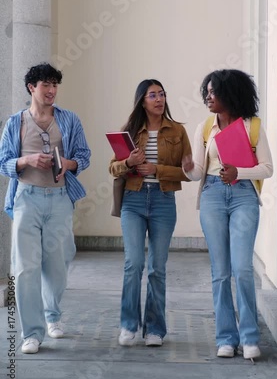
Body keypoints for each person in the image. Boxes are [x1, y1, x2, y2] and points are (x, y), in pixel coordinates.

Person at [0, 63, 91, 354]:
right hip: (26, 198)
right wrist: (25, 162)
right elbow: (3, 163)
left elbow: (84, 156)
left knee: (58, 263)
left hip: (60, 198)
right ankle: (32, 333)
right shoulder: (16, 122)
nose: (51, 91)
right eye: (46, 85)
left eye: (55, 85)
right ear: (32, 88)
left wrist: (68, 164)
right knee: (25, 267)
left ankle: (52, 314)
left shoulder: (69, 120)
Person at [182, 69, 273, 360]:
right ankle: (225, 337)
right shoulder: (205, 127)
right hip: (212, 196)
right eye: (206, 92)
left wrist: (240, 172)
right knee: (220, 272)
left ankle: (249, 338)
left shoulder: (253, 126)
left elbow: (268, 168)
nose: (208, 97)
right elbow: (198, 173)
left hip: (244, 195)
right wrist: (187, 167)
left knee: (243, 268)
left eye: (214, 92)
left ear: (230, 93)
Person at [109, 79, 192, 347]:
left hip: (163, 201)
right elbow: (113, 169)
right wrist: (128, 162)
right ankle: (128, 325)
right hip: (133, 201)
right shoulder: (129, 131)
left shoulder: (178, 131)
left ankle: (155, 328)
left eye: (162, 94)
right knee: (133, 264)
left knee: (157, 268)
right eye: (153, 95)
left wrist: (158, 170)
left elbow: (189, 172)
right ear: (142, 101)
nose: (159, 99)